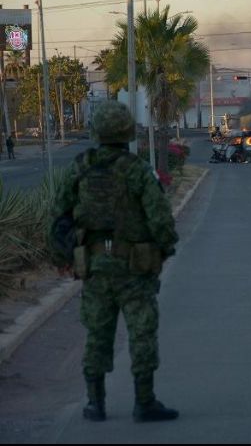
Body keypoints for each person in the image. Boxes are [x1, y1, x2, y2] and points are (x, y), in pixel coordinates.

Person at [48, 100, 179, 423]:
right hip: (134, 268)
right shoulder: (136, 170)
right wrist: (164, 249)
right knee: (142, 333)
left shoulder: (81, 167)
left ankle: (95, 403)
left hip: (94, 268)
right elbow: (160, 217)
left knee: (97, 333)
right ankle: (144, 402)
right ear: (126, 132)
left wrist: (62, 257)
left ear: (96, 133)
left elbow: (58, 215)